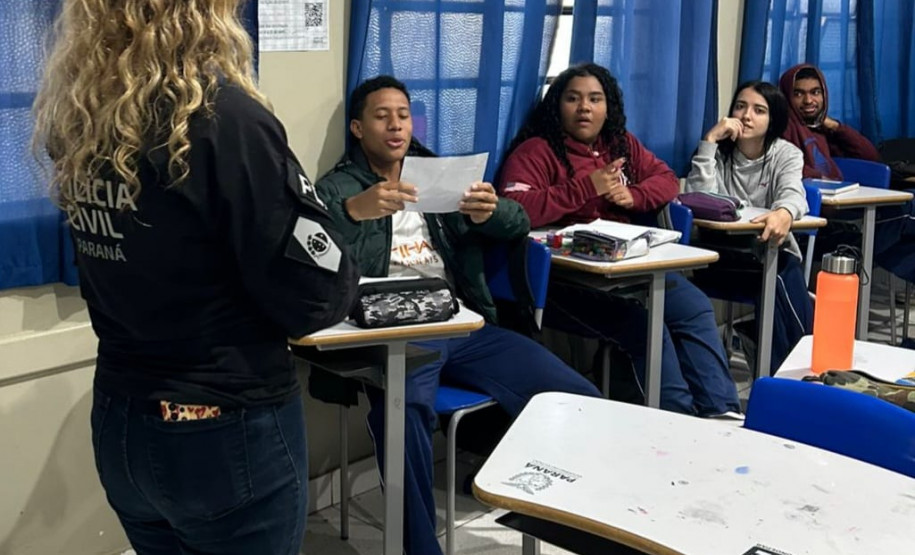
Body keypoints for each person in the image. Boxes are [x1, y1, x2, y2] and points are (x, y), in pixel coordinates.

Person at [31, 1, 359, 553]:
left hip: (122, 418)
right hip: (221, 426)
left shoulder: (84, 119)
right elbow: (318, 296)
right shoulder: (221, 118)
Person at [315, 75, 602, 555]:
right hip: (397, 330)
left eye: (403, 115)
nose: (395, 125)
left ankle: (567, 517)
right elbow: (314, 246)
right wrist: (352, 211)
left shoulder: (436, 173)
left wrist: (489, 212)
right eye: (381, 116)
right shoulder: (337, 186)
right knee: (402, 419)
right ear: (358, 128)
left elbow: (518, 221)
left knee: (579, 397)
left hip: (461, 321)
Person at [499, 63, 741, 417]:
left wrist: (635, 196)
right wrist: (588, 187)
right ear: (557, 105)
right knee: (642, 327)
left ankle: (721, 413)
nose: (585, 108)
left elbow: (666, 178)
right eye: (573, 99)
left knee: (693, 305)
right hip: (564, 280)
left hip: (631, 269)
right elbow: (516, 208)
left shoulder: (618, 143)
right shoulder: (536, 150)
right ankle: (677, 420)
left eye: (595, 99)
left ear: (607, 106)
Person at [685, 81, 814, 376]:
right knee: (781, 282)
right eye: (740, 106)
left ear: (773, 119)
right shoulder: (716, 153)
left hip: (769, 253)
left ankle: (791, 376)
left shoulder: (787, 154)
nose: (746, 116)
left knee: (781, 276)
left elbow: (793, 193)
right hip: (720, 255)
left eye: (759, 110)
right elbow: (699, 197)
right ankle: (787, 373)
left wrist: (783, 212)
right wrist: (709, 140)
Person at [779, 63, 881, 179]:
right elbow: (780, 165)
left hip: (838, 193)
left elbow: (870, 156)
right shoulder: (782, 128)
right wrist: (819, 177)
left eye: (815, 92)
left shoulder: (822, 128)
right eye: (798, 94)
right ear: (787, 97)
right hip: (808, 194)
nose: (808, 100)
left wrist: (836, 127)